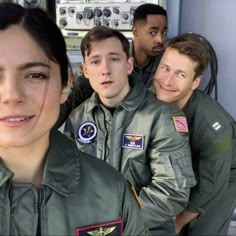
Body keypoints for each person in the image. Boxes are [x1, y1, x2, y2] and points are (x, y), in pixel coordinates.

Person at [0, 3, 150, 235]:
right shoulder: (80, 116)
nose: (12, 96)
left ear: (66, 84)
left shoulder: (112, 193)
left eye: (35, 75)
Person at [64, 25, 196, 235]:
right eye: (96, 61)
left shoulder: (162, 117)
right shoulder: (77, 118)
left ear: (128, 65)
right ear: (86, 70)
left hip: (145, 229)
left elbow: (172, 191)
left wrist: (114, 222)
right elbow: (68, 181)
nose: (105, 69)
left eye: (114, 59)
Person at [153, 33, 236, 235]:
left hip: (220, 176)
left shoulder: (214, 127)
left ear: (195, 82)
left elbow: (214, 181)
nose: (167, 80)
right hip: (178, 170)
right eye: (165, 68)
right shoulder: (147, 98)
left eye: (180, 74)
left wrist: (180, 220)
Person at [55, 3, 167, 128]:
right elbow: (74, 90)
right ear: (135, 31)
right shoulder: (114, 53)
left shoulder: (167, 64)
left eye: (164, 32)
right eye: (153, 32)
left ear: (129, 65)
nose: (160, 39)